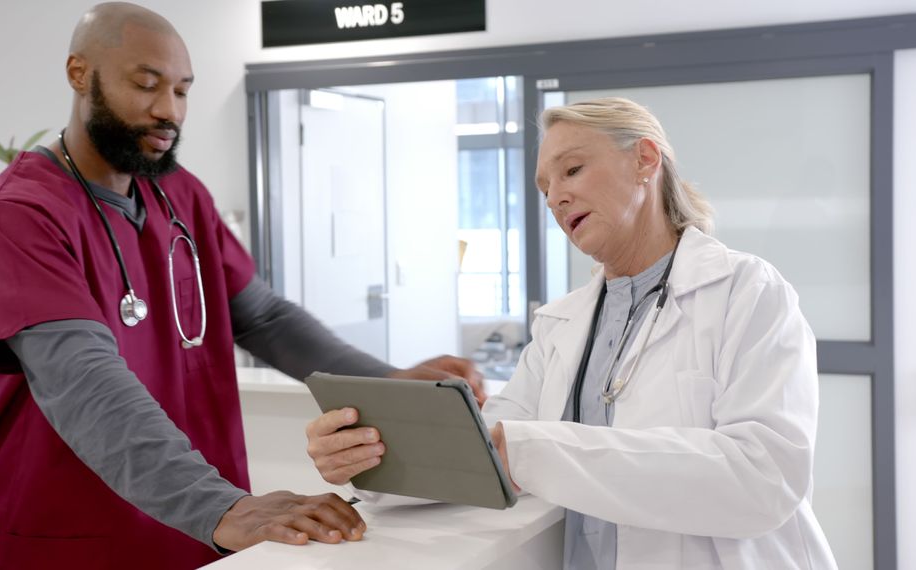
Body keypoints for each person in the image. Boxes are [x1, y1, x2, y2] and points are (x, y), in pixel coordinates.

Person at [0, 3, 483, 569]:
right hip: (56, 544)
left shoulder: (179, 193)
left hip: (186, 538)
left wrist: (390, 383)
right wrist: (221, 506)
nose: (167, 111)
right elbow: (82, 384)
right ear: (80, 74)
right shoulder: (20, 212)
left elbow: (266, 318)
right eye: (146, 85)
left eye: (182, 91)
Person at [306, 97, 837, 569]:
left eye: (573, 170)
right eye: (544, 187)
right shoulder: (562, 323)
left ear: (644, 160)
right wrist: (374, 453)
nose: (555, 197)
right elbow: (488, 454)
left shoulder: (745, 291)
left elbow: (762, 478)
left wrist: (531, 450)